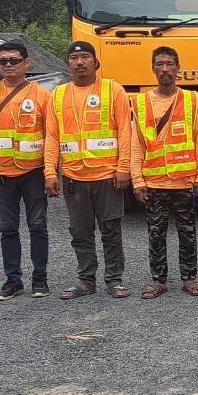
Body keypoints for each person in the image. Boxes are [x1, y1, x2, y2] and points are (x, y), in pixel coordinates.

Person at [45, 39, 132, 299]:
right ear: (68, 64)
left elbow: (125, 130)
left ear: (96, 62)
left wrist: (123, 167)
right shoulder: (58, 95)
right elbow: (52, 136)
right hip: (74, 176)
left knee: (110, 229)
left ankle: (114, 279)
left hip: (107, 175)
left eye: (85, 57)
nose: (80, 62)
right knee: (80, 232)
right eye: (74, 58)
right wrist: (50, 172)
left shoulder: (113, 90)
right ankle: (86, 280)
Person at [0, 39, 51, 300]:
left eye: (14, 61)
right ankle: (13, 280)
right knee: (7, 229)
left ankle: (40, 279)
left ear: (27, 63)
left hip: (34, 172)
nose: (9, 65)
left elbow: (51, 136)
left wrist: (51, 172)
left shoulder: (42, 95)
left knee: (37, 226)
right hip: (1, 174)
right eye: (3, 61)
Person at [130, 46, 198, 299]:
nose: (165, 69)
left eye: (170, 64)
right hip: (153, 182)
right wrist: (137, 180)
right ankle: (159, 281)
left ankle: (190, 279)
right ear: (153, 68)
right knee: (156, 234)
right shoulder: (140, 103)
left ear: (178, 68)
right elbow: (136, 144)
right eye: (160, 64)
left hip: (184, 181)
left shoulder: (191, 100)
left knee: (188, 234)